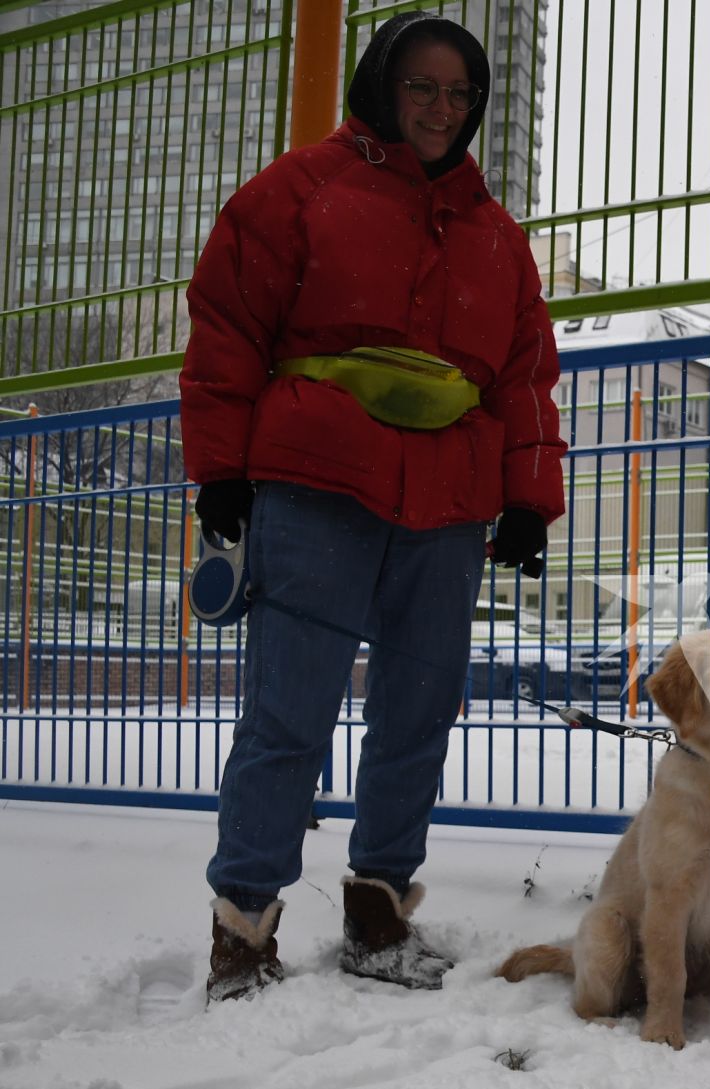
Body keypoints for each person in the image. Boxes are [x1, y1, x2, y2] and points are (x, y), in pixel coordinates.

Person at [181, 12, 565, 1002]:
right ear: (381, 85)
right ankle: (243, 927)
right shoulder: (299, 189)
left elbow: (523, 378)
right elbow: (227, 327)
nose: (441, 109)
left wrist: (528, 496)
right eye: (422, 88)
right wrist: (222, 468)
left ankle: (379, 905)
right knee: (289, 714)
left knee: (419, 710)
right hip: (318, 490)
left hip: (447, 502)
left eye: (460, 95)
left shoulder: (496, 233)